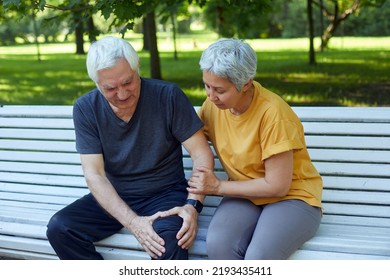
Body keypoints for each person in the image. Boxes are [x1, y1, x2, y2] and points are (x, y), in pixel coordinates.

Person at [46, 36, 214, 260]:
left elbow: (202, 154)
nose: (123, 94)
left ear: (137, 70)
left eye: (128, 82)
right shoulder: (86, 108)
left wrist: (193, 206)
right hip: (115, 196)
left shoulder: (168, 96)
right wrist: (134, 223)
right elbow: (94, 175)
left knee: (171, 242)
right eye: (110, 88)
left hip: (164, 195)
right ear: (97, 84)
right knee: (60, 229)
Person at [187, 38, 323, 260]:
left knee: (258, 257)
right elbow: (191, 137)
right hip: (244, 193)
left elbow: (277, 186)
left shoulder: (274, 114)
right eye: (207, 86)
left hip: (292, 197)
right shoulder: (213, 106)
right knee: (218, 245)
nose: (211, 96)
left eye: (219, 90)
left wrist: (218, 186)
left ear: (246, 84)